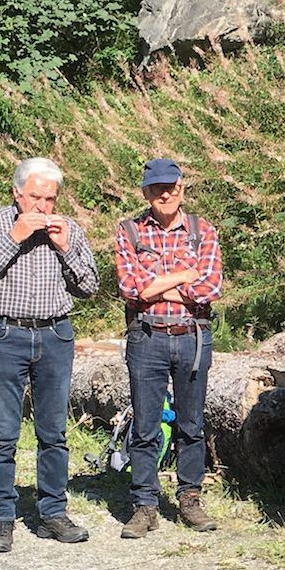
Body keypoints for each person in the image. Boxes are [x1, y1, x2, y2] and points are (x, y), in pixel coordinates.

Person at [0, 157, 100, 553]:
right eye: (35, 197)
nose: (42, 207)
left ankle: (53, 512)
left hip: (55, 334)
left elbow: (89, 285)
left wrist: (65, 247)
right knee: (3, 431)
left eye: (50, 199)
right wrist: (14, 236)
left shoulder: (68, 228)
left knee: (53, 432)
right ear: (17, 193)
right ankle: (1, 518)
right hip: (3, 333)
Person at [114, 158, 224, 539]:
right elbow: (132, 288)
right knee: (145, 426)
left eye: (172, 187)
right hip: (147, 337)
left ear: (181, 188)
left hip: (193, 336)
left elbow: (209, 289)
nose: (165, 194)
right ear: (145, 192)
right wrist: (182, 277)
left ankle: (189, 497)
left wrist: (158, 283)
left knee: (192, 425)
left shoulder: (203, 231)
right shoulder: (128, 231)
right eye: (157, 188)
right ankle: (144, 504)